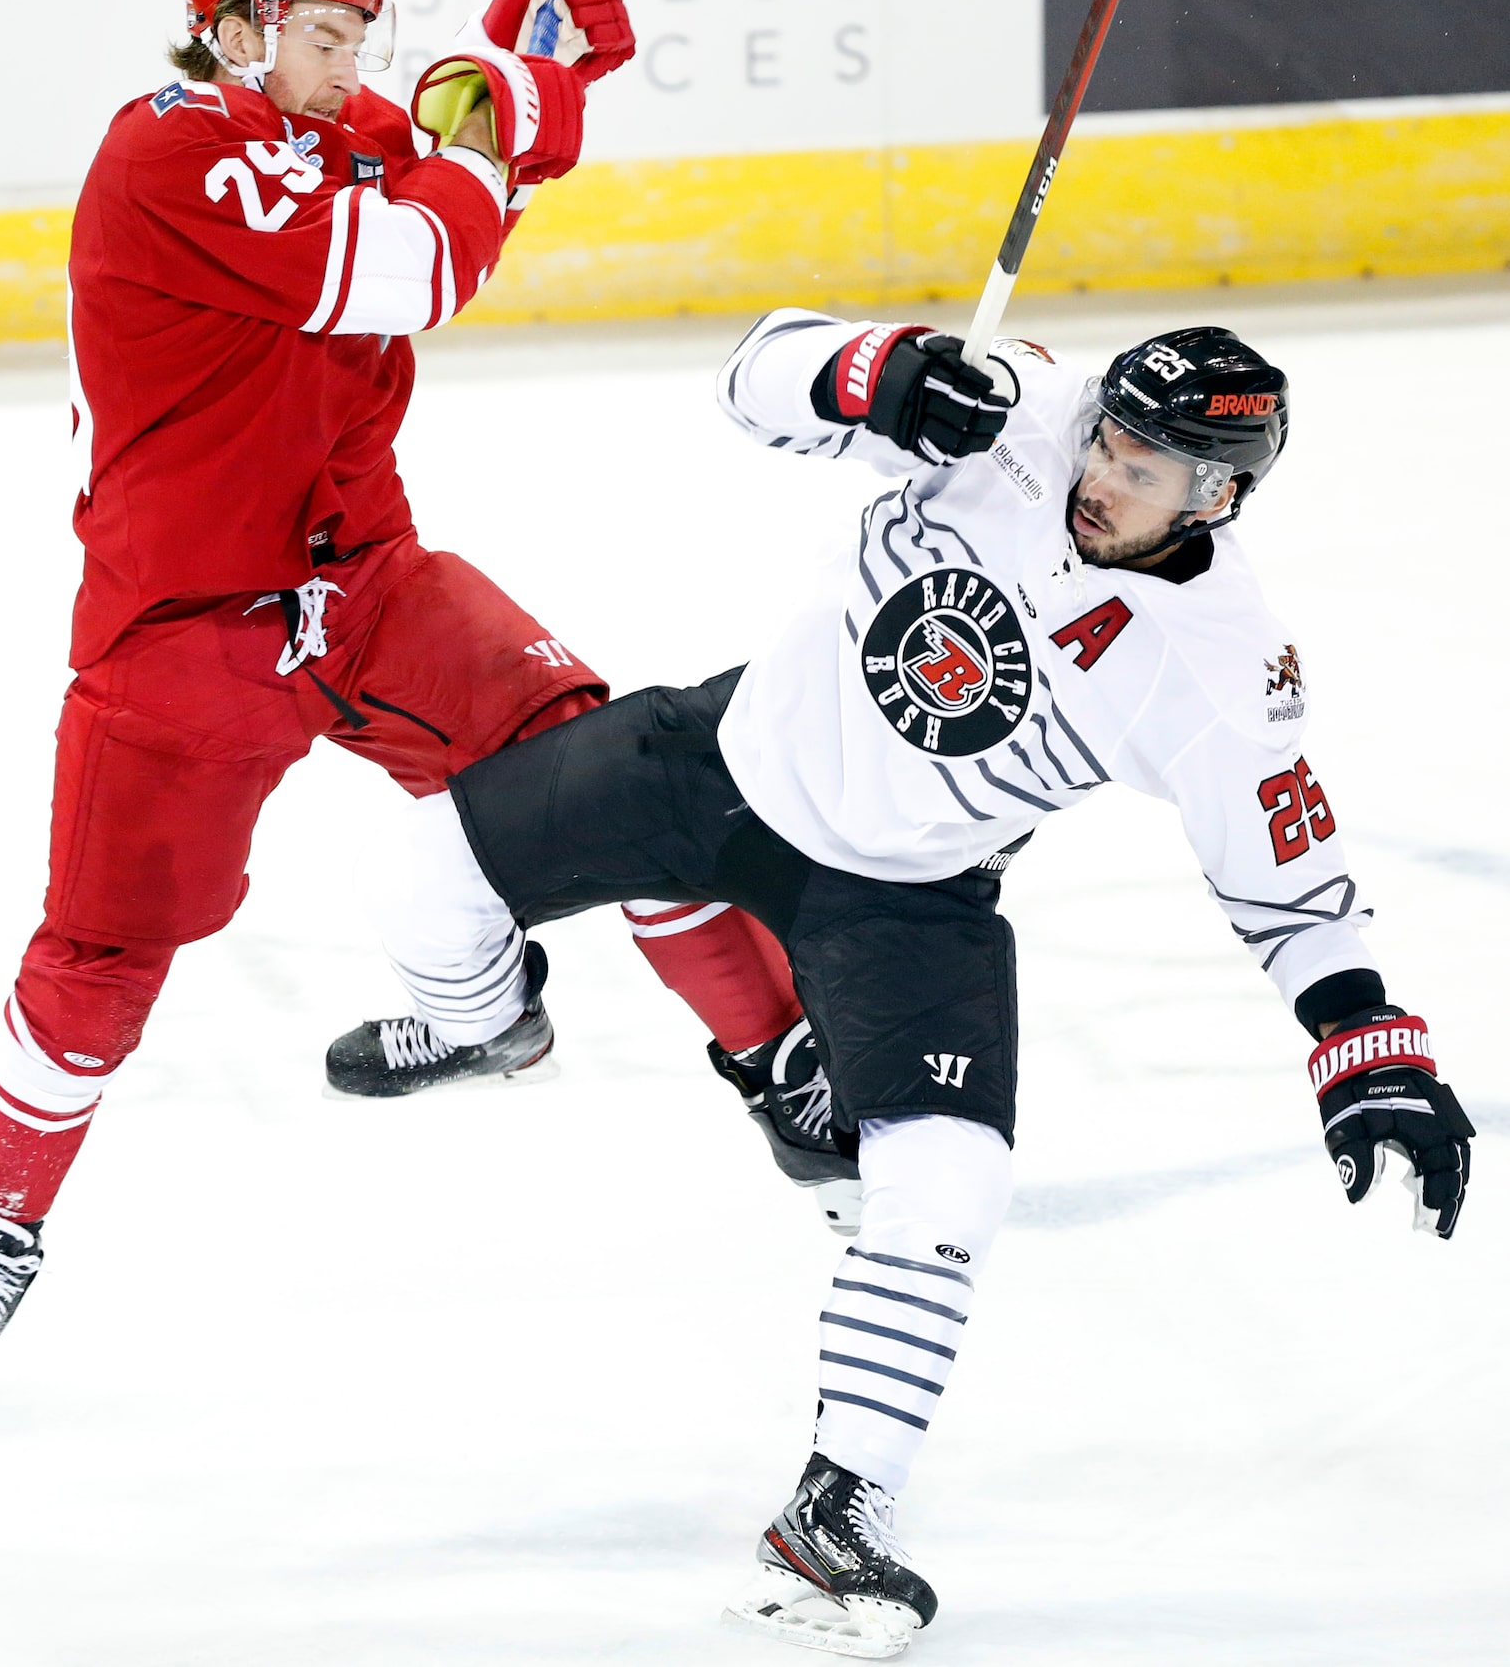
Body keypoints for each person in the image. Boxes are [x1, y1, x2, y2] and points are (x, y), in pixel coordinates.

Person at [347, 311, 1476, 1657]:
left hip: (908, 894)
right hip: (725, 757)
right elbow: (749, 382)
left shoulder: (1224, 668)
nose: (1104, 475)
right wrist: (875, 371)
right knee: (430, 865)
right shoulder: (1014, 414)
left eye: (1151, 470)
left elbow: (1289, 880)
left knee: (948, 1188)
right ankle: (489, 1023)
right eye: (1111, 438)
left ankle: (836, 1511)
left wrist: (1366, 1042)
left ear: (1219, 497)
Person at [0, 0, 813, 1391]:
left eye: (356, 41)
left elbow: (474, 153)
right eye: (322, 37)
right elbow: (417, 264)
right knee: (105, 946)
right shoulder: (167, 154)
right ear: (240, 29)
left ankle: (779, 1069)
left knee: (618, 781)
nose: (346, 66)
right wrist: (481, 126)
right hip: (183, 625)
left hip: (368, 581)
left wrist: (537, 62)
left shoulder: (331, 124)